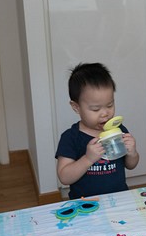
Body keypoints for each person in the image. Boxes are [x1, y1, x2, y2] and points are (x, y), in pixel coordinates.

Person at [56, 62, 140, 199]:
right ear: (76, 107)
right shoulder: (70, 137)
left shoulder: (118, 130)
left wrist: (132, 153)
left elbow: (130, 165)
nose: (105, 113)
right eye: (95, 109)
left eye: (110, 105)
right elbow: (64, 177)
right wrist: (88, 159)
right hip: (86, 204)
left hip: (119, 199)